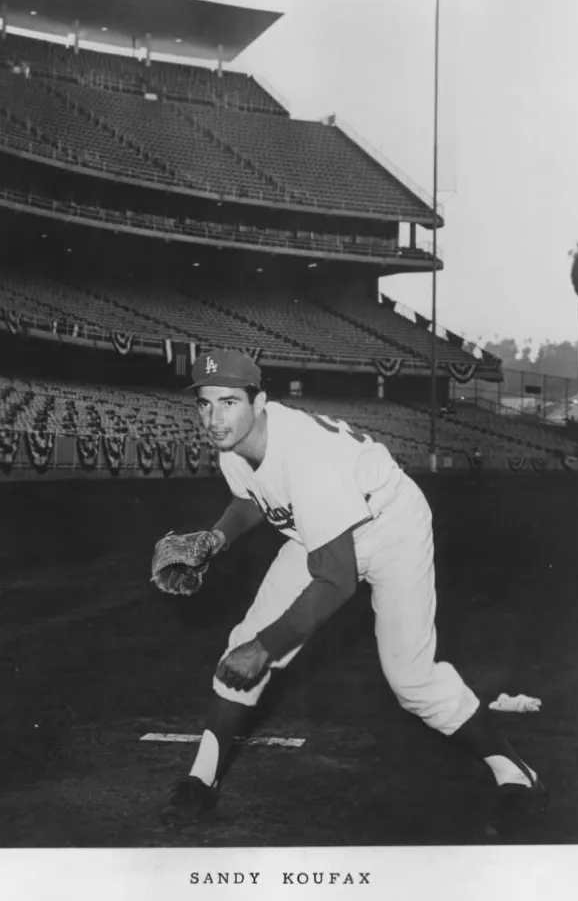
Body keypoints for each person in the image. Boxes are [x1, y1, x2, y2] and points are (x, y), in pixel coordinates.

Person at [159, 349, 546, 838]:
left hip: (390, 528)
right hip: (318, 531)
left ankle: (517, 774)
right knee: (242, 642)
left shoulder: (304, 457)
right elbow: (251, 496)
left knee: (410, 678)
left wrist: (268, 648)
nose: (214, 418)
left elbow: (336, 578)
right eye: (205, 404)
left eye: (229, 402)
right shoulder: (233, 443)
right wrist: (217, 537)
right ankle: (202, 778)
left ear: (260, 401)